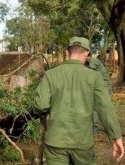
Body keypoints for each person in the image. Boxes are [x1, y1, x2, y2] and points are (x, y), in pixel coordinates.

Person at [34, 36, 124, 164]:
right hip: (82, 142)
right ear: (87, 53)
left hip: (55, 141)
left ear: (67, 52)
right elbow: (105, 108)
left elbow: (40, 105)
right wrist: (116, 137)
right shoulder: (94, 77)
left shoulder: (50, 75)